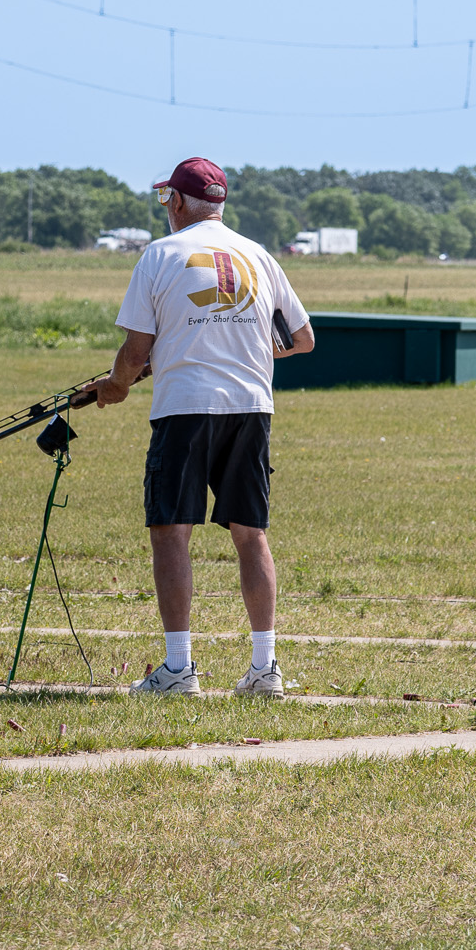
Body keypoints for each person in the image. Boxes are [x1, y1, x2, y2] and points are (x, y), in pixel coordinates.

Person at [85, 157, 315, 698]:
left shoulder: (159, 255)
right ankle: (265, 668)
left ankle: (178, 668)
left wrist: (115, 386)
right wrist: (245, 350)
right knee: (250, 533)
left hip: (185, 408)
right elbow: (302, 339)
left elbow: (134, 350)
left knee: (171, 531)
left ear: (179, 202)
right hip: (252, 407)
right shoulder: (258, 254)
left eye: (168, 200)